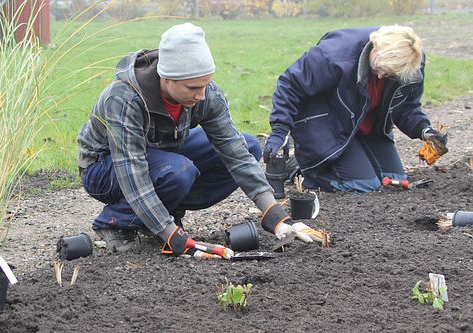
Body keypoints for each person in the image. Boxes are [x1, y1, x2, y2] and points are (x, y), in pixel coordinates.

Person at [77, 23, 316, 255]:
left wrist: (275, 216)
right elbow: (133, 172)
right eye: (193, 88)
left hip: (161, 156)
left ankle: (166, 206)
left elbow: (236, 152)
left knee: (249, 146)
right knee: (178, 171)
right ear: (167, 78)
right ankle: (114, 222)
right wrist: (168, 231)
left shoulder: (205, 94)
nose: (201, 95)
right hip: (105, 166)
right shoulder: (124, 98)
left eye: (206, 84)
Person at [264, 25, 448, 192]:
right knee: (363, 185)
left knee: (393, 181)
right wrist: (279, 131)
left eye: (390, 73)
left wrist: (425, 130)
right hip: (327, 124)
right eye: (380, 67)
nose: (382, 74)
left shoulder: (409, 63)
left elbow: (407, 107)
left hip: (365, 128)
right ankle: (301, 169)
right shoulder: (335, 54)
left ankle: (353, 157)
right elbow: (290, 85)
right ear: (375, 45)